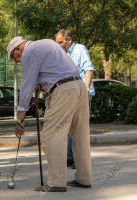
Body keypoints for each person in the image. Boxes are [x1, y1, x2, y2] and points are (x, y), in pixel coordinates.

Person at [7, 36, 92, 192]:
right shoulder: (47, 43)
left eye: (15, 57)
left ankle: (57, 183)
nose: (18, 61)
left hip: (64, 90)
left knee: (52, 135)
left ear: (18, 49)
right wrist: (42, 85)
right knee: (81, 135)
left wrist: (20, 118)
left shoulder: (28, 52)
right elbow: (54, 71)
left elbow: (27, 84)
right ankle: (84, 178)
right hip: (79, 86)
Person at [55, 29, 95, 169]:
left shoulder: (80, 49)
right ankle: (70, 158)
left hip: (82, 94)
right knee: (69, 126)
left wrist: (86, 91)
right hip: (70, 95)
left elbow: (89, 69)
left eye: (60, 42)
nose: (58, 45)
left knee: (80, 128)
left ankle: (81, 160)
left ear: (69, 40)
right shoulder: (62, 54)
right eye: (57, 43)